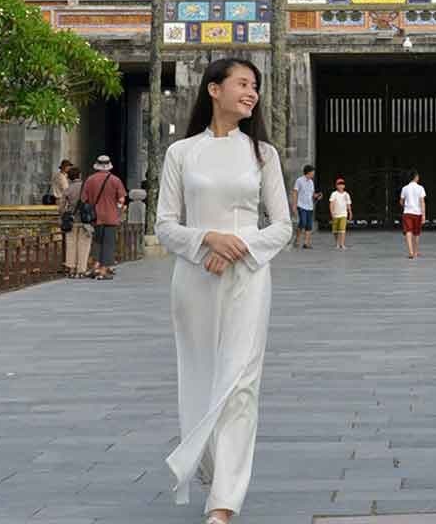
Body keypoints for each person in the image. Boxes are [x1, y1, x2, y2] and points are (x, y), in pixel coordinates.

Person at [155, 57, 292, 523]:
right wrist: (205, 240)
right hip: (195, 280)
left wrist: (234, 246)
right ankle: (211, 468)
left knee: (240, 384)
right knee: (198, 378)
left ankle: (224, 502)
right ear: (214, 89)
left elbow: (282, 227)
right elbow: (166, 226)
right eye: (242, 84)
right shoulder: (182, 153)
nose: (251, 93)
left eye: (255, 86)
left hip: (248, 276)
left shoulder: (262, 154)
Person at [79, 155, 127, 280]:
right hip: (111, 216)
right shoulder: (115, 180)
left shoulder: (90, 180)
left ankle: (95, 266)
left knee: (97, 242)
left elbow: (84, 199)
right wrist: (117, 210)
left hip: (96, 216)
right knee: (108, 243)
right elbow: (121, 199)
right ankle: (103, 270)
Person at [59, 160, 90, 278]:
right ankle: (81, 269)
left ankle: (71, 268)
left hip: (72, 221)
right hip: (84, 220)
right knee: (83, 244)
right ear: (80, 176)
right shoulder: (86, 188)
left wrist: (64, 214)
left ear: (69, 177)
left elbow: (61, 207)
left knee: (71, 244)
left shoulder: (68, 189)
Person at [399, 170, 427, 258]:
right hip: (417, 213)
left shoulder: (405, 188)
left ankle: (410, 252)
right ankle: (415, 251)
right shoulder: (420, 188)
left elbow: (401, 201)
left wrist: (405, 205)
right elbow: (422, 202)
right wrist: (424, 215)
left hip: (407, 213)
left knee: (408, 231)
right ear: (415, 177)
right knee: (416, 233)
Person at [292, 164, 317, 249]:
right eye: (312, 172)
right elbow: (295, 192)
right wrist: (294, 205)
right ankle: (297, 239)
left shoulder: (311, 182)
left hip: (309, 206)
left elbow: (312, 194)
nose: (313, 174)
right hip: (301, 205)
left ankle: (306, 243)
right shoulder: (299, 180)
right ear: (308, 172)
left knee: (309, 225)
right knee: (302, 222)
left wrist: (316, 196)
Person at [328, 177, 352, 250]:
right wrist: (331, 212)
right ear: (336, 186)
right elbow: (331, 203)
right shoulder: (334, 194)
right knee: (335, 230)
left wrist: (350, 212)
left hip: (343, 214)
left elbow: (348, 204)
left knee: (342, 229)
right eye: (339, 184)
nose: (340, 186)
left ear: (344, 186)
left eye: (342, 184)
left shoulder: (346, 194)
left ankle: (342, 244)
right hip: (335, 214)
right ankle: (337, 243)